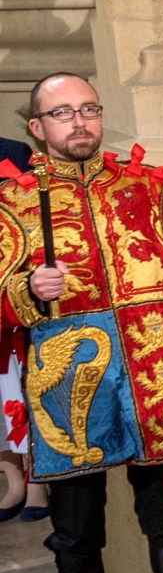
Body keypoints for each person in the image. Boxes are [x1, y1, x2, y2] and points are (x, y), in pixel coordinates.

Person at [0, 72, 163, 573]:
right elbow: (2, 296)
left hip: (154, 372)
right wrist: (30, 287)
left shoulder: (150, 186)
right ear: (37, 128)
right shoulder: (13, 204)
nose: (78, 122)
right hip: (71, 387)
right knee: (75, 535)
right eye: (62, 113)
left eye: (87, 109)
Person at [0, 137, 49, 522]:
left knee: (20, 390)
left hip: (12, 277)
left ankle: (36, 484)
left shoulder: (13, 150)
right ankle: (13, 480)